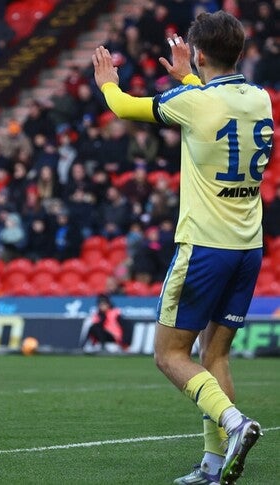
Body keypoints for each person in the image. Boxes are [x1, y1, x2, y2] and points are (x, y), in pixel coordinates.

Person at [93, 11, 272, 485]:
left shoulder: (193, 102)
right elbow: (215, 106)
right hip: (248, 247)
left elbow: (124, 108)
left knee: (169, 354)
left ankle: (235, 423)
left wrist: (107, 82)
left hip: (205, 248)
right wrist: (191, 75)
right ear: (240, 52)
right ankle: (214, 464)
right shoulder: (261, 98)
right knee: (215, 357)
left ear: (199, 54)